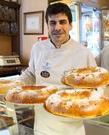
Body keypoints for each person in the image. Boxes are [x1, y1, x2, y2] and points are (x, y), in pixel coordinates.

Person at [19, 2, 96, 135]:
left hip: (72, 124)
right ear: (47, 26)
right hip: (43, 122)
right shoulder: (38, 48)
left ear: (70, 25)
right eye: (52, 23)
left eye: (62, 22)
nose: (57, 27)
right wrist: (15, 86)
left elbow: (96, 86)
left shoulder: (84, 53)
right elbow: (31, 74)